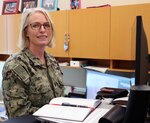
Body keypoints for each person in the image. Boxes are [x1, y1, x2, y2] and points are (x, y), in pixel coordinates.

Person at [2, 7, 64, 118]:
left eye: (46, 25)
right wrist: (56, 114)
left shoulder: (52, 62)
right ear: (26, 31)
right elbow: (18, 114)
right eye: (35, 25)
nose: (42, 30)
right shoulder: (16, 65)